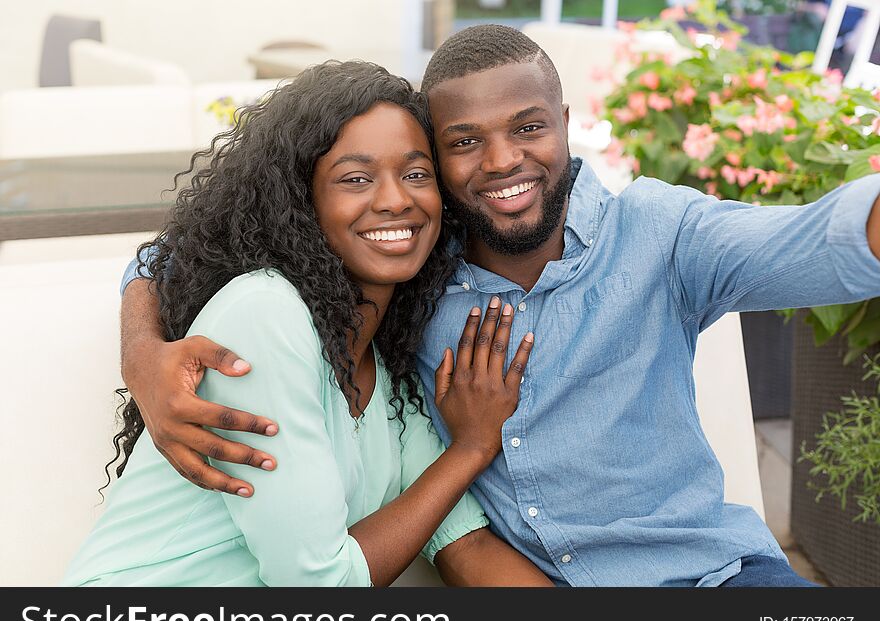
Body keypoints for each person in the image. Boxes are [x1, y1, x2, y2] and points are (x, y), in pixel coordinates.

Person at [117, 26, 880, 587]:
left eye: (528, 128)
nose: (505, 160)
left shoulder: (662, 234)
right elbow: (172, 254)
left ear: (565, 123)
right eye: (464, 142)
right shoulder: (409, 284)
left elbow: (823, 238)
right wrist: (145, 356)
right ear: (441, 164)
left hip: (717, 578)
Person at [63, 60, 553, 587]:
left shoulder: (383, 377)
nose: (395, 200)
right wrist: (471, 448)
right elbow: (319, 585)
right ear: (302, 202)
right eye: (355, 179)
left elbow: (466, 543)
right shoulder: (265, 314)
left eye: (416, 174)